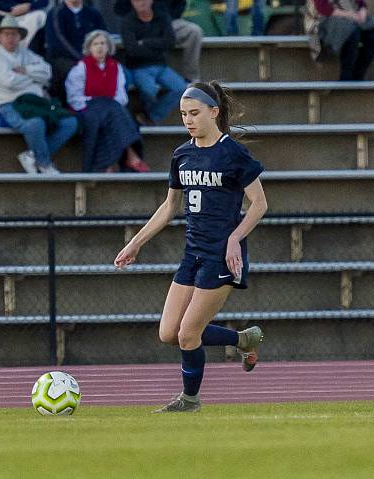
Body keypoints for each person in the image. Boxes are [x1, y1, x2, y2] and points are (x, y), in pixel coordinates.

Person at [113, 81, 268, 413]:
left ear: (214, 112)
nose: (188, 120)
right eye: (184, 114)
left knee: (187, 335)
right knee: (169, 333)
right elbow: (169, 207)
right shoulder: (182, 154)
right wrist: (135, 243)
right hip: (192, 254)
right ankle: (243, 339)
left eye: (195, 113)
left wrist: (234, 238)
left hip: (222, 256)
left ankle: (190, 399)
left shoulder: (233, 153)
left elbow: (259, 204)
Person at [0, 16, 79, 174]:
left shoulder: (26, 53)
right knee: (35, 124)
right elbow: (9, 82)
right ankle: (44, 163)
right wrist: (34, 79)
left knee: (70, 122)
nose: (10, 38)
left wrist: (26, 70)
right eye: (6, 34)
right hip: (9, 104)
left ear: (19, 36)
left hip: (37, 102)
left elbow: (47, 72)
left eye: (13, 34)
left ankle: (32, 156)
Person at [65, 30, 150, 172]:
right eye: (95, 44)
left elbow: (121, 96)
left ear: (108, 47)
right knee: (110, 115)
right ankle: (131, 156)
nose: (99, 47)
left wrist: (107, 104)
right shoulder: (80, 68)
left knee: (113, 115)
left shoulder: (115, 67)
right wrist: (100, 102)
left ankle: (108, 164)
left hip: (111, 109)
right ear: (89, 47)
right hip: (87, 108)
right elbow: (74, 97)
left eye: (103, 43)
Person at [120, 0, 188, 125]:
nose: (141, 2)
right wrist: (157, 45)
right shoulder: (127, 21)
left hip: (161, 66)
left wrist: (145, 42)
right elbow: (132, 50)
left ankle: (151, 117)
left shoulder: (162, 16)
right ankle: (145, 115)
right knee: (149, 90)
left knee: (182, 88)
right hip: (139, 67)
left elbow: (170, 42)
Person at [114, 0, 203, 81]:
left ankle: (191, 78)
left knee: (194, 31)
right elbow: (118, 8)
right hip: (139, 23)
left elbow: (181, 4)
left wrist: (166, 18)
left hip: (167, 21)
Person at [308, 0, 374, 80]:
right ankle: (346, 76)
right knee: (350, 30)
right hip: (326, 19)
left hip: (352, 17)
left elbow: (361, 3)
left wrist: (362, 11)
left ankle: (359, 72)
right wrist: (348, 15)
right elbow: (322, 8)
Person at [45, 0, 107, 100]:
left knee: (119, 71)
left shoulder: (93, 13)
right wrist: (83, 60)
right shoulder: (55, 13)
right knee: (79, 73)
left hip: (94, 58)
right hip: (64, 59)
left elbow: (104, 36)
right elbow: (58, 42)